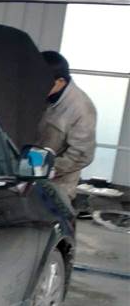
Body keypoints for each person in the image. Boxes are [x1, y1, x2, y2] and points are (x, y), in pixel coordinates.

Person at [36, 50, 96, 200]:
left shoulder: (81, 109)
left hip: (58, 184)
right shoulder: (43, 96)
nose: (36, 86)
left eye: (42, 83)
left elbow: (83, 155)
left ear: (60, 82)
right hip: (31, 169)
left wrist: (48, 169)